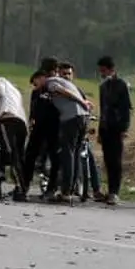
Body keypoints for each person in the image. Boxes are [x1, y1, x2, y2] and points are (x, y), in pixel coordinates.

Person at [38, 67, 92, 204]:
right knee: (75, 154)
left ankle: (66, 192)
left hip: (71, 118)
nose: (36, 85)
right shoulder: (69, 83)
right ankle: (71, 189)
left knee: (68, 154)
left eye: (36, 81)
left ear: (43, 77)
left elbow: (63, 92)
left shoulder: (51, 82)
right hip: (84, 118)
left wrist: (81, 101)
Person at [0, 73, 30, 201]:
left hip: (8, 121)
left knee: (10, 154)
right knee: (18, 156)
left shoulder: (0, 81)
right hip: (21, 124)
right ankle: (21, 187)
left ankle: (19, 189)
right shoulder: (15, 91)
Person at [59, 62, 102, 201]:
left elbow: (87, 105)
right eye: (64, 73)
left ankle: (95, 190)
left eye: (69, 73)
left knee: (86, 155)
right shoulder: (57, 87)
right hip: (64, 125)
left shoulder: (76, 89)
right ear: (58, 73)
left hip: (77, 124)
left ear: (73, 75)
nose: (66, 76)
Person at [96, 55, 133, 206]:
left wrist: (124, 128)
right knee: (108, 160)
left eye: (104, 70)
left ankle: (115, 192)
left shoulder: (121, 85)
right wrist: (99, 130)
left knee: (116, 161)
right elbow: (102, 110)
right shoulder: (103, 87)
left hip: (116, 128)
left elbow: (126, 108)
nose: (102, 73)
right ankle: (109, 190)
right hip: (105, 128)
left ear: (111, 69)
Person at [23, 57, 61, 197]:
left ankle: (51, 188)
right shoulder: (37, 90)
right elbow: (33, 108)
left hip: (54, 127)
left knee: (55, 158)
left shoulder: (57, 88)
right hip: (39, 126)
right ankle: (24, 184)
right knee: (30, 155)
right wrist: (31, 120)